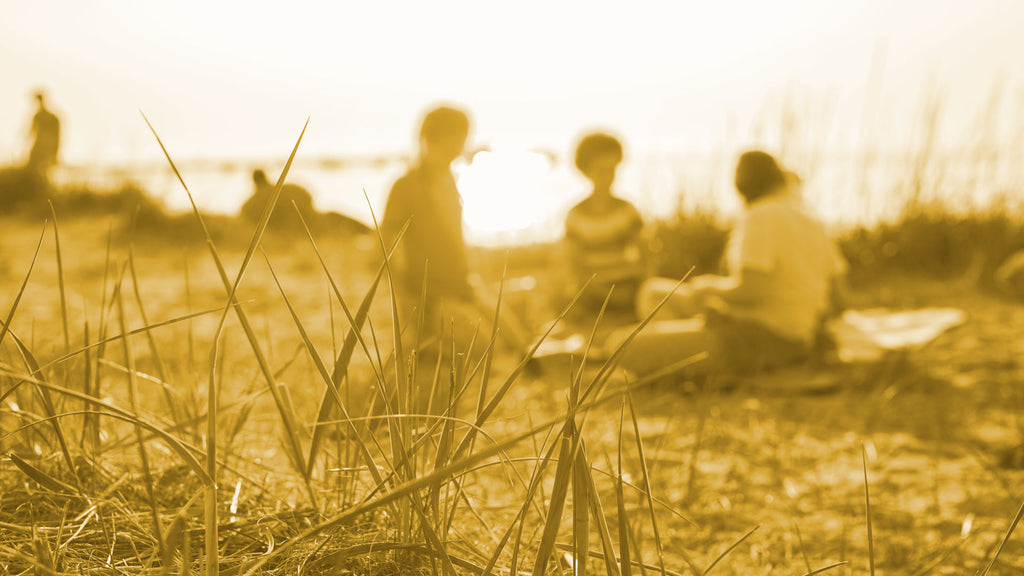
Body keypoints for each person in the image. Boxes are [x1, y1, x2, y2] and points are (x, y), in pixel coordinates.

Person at [610, 150, 848, 376]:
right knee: (654, 292)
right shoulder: (814, 223)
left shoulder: (758, 216)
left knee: (618, 346)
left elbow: (751, 291)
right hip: (794, 336)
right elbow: (840, 299)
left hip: (753, 340)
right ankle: (692, 348)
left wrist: (710, 287)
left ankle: (695, 364)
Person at [381, 105, 529, 361]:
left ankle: (430, 342)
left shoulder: (450, 179)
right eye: (458, 137)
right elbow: (386, 244)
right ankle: (423, 343)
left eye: (464, 136)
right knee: (482, 346)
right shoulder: (407, 185)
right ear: (432, 138)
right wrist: (405, 300)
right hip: (429, 295)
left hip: (462, 286)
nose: (462, 144)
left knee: (518, 344)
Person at [563, 132, 646, 319]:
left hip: (628, 288)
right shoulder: (575, 216)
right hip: (592, 293)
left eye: (612, 169)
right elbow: (575, 265)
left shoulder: (627, 211)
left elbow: (645, 255)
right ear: (586, 171)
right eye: (601, 170)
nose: (608, 176)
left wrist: (642, 286)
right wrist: (599, 291)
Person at [239, 169, 316, 231]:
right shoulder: (289, 189)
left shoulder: (254, 201)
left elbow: (245, 212)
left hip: (289, 222)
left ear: (255, 181)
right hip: (294, 222)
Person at [26, 91, 60, 179]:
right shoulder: (48, 116)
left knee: (41, 171)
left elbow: (31, 132)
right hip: (43, 147)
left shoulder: (46, 117)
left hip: (44, 148)